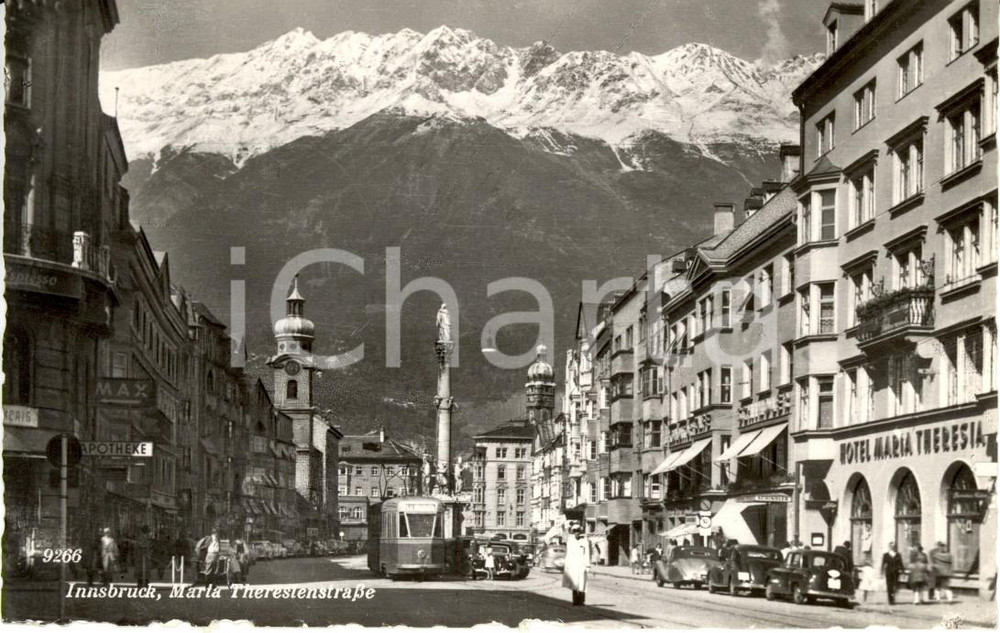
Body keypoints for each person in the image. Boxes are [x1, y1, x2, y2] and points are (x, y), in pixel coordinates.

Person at [563, 524, 591, 606]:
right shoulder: (570, 542)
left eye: (578, 532)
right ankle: (575, 601)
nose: (577, 533)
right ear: (573, 533)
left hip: (582, 564)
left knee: (582, 583)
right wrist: (567, 565)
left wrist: (588, 565)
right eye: (575, 532)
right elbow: (568, 554)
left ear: (580, 532)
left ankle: (581, 601)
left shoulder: (584, 541)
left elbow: (587, 554)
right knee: (574, 583)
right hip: (573, 564)